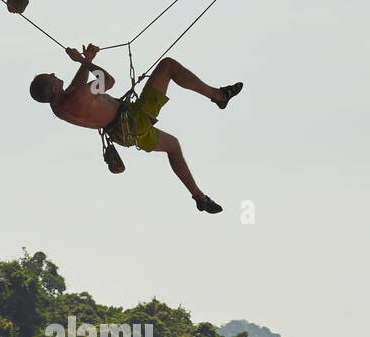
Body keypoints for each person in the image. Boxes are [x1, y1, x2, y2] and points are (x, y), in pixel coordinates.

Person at [29, 44, 242, 213]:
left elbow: (76, 89)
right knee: (168, 65)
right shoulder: (76, 97)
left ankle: (199, 197)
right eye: (51, 76)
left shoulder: (58, 107)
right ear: (55, 88)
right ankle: (219, 96)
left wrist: (88, 62)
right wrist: (82, 60)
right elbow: (108, 81)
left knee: (173, 146)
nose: (54, 72)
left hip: (125, 135)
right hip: (134, 119)